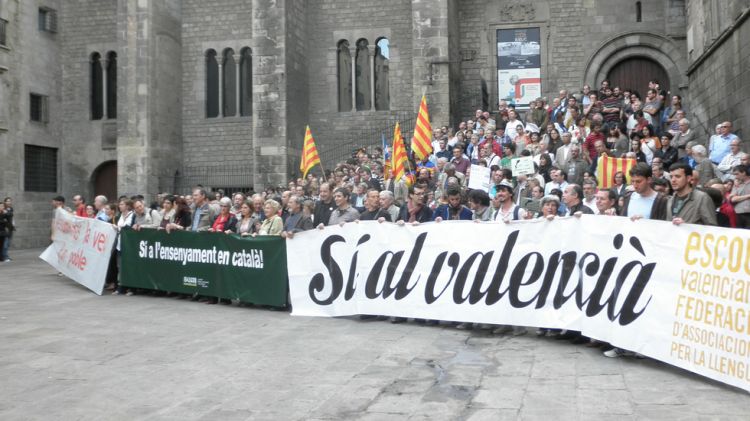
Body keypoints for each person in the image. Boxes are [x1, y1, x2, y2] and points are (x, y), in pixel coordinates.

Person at [112, 198, 135, 296]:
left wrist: (118, 228)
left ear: (127, 206)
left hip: (129, 245)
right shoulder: (119, 216)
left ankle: (131, 288)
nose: (119, 206)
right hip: (119, 244)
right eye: (119, 204)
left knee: (129, 266)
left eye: (122, 204)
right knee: (119, 266)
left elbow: (128, 227)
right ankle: (120, 286)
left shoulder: (132, 215)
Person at [1, 197, 13, 261]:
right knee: (5, 244)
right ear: (5, 202)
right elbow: (4, 218)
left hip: (10, 228)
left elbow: (10, 217)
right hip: (5, 228)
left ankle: (6, 255)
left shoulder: (11, 209)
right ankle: (4, 257)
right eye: (7, 201)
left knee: (8, 244)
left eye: (10, 201)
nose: (9, 202)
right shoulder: (3, 209)